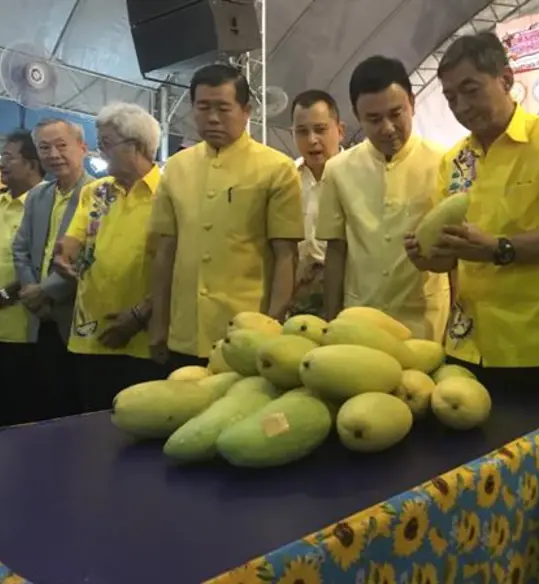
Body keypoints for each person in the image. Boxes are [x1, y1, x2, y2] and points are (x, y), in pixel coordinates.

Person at [405, 33, 539, 400]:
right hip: (465, 341)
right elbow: (449, 257)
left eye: (470, 90)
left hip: (534, 341)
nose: (461, 106)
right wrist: (426, 256)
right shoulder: (454, 160)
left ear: (506, 79)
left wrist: (498, 248)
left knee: (531, 438)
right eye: (450, 97)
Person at [149, 64, 303, 369]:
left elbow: (286, 255)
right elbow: (165, 252)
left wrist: (272, 327)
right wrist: (159, 322)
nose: (212, 117)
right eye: (203, 107)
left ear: (246, 111)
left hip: (247, 333)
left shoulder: (277, 168)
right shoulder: (176, 168)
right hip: (184, 331)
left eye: (223, 108)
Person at [316, 56, 450, 340]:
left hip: (427, 322)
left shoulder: (445, 162)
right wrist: (330, 322)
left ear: (412, 103)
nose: (387, 128)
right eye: (374, 119)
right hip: (360, 320)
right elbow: (336, 250)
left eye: (396, 113)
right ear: (357, 115)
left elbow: (458, 253)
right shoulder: (338, 170)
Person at [54, 103, 165, 411]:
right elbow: (74, 239)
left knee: (141, 421)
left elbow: (182, 265)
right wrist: (64, 257)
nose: (99, 152)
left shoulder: (170, 193)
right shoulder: (95, 192)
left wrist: (141, 314)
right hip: (91, 334)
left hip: (146, 336)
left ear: (137, 146)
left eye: (106, 143)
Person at [12, 118, 92, 421]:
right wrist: (31, 290)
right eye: (45, 148)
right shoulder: (38, 195)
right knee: (44, 403)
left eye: (61, 145)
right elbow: (20, 248)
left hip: (77, 316)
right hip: (39, 317)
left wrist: (44, 292)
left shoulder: (98, 193)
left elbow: (90, 255)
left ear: (82, 147)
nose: (54, 154)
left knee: (78, 404)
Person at [0, 131, 44, 427]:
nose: (1, 164)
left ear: (32, 163)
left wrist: (3, 296)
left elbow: (44, 265)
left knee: (17, 421)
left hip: (22, 334)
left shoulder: (44, 204)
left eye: (9, 157)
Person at [289, 89, 345, 317]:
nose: (312, 140)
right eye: (302, 132)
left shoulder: (359, 175)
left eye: (320, 130)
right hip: (297, 299)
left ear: (340, 131)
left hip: (349, 295)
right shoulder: (286, 179)